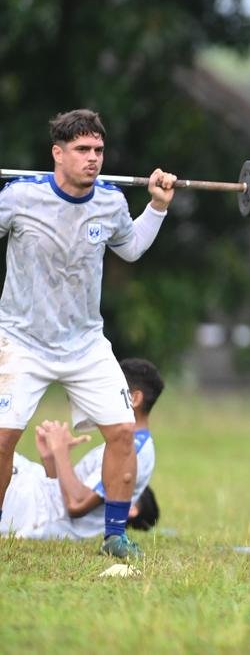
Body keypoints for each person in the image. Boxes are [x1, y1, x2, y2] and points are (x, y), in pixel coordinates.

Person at [0, 110, 175, 559]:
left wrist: (156, 206)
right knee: (2, 440)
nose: (93, 159)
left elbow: (131, 249)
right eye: (82, 150)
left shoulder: (112, 203)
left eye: (98, 150)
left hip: (85, 345)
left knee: (121, 433)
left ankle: (115, 536)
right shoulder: (19, 197)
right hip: (22, 341)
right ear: (57, 154)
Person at [2, 357, 163, 540]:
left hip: (34, 510)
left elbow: (76, 504)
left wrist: (61, 451)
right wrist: (52, 458)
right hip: (36, 496)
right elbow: (61, 495)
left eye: (110, 389)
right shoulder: (126, 442)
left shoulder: (134, 450)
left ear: (133, 399)